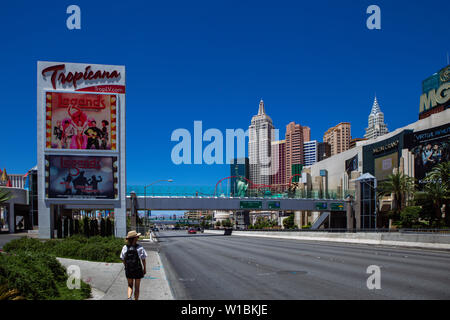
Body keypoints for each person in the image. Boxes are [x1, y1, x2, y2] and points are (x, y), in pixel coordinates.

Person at [120, 230, 147, 300]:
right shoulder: (140, 247)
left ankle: (129, 298)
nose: (138, 238)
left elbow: (122, 258)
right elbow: (143, 259)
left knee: (130, 285)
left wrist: (126, 265)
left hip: (129, 269)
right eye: (137, 237)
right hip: (138, 269)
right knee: (137, 287)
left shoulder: (125, 248)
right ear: (135, 238)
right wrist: (144, 269)